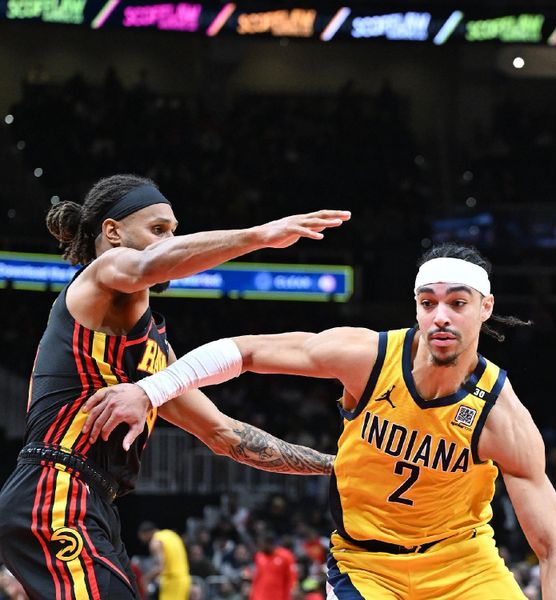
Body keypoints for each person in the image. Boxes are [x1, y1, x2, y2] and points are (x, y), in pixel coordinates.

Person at [83, 242, 556, 598]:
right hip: (366, 566)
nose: (441, 317)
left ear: (485, 308)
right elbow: (248, 350)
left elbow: (554, 550)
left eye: (457, 303)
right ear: (416, 307)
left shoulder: (502, 416)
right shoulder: (366, 356)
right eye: (428, 304)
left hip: (463, 565)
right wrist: (149, 390)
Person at [0, 174, 348, 600]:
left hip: (92, 502)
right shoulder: (101, 273)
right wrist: (258, 236)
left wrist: (335, 463)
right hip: (54, 491)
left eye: (173, 233)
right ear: (113, 232)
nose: (169, 241)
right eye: (158, 230)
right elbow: (148, 265)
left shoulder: (153, 357)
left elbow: (224, 434)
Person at [137, 521, 191, 600]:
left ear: (146, 533)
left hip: (172, 583)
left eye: (141, 537)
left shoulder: (155, 542)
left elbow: (160, 567)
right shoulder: (172, 535)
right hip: (185, 580)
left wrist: (146, 578)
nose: (142, 540)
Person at [249, 533, 297, 600]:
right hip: (259, 597)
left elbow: (292, 578)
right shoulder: (259, 556)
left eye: (261, 544)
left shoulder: (286, 556)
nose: (259, 547)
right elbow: (256, 577)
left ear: (269, 543)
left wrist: (290, 595)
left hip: (279, 597)